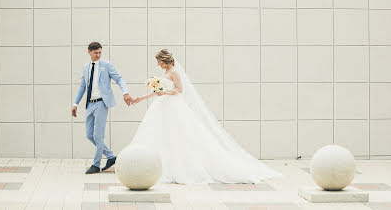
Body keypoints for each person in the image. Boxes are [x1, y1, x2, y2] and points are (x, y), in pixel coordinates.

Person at [129, 49, 282, 184]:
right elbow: (157, 91)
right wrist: (140, 99)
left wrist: (166, 93)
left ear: (165, 60)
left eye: (159, 62)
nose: (158, 65)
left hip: (173, 107)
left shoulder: (174, 72)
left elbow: (180, 90)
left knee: (179, 136)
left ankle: (181, 166)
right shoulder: (164, 73)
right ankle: (162, 165)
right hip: (162, 106)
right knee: (163, 136)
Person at [72, 42, 134, 174]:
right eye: (95, 53)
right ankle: (111, 157)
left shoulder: (106, 65)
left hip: (102, 103)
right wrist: (75, 104)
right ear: (89, 52)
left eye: (100, 52)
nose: (98, 55)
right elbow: (83, 87)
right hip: (90, 104)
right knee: (89, 135)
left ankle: (96, 164)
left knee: (98, 135)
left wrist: (125, 92)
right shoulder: (86, 67)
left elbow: (119, 79)